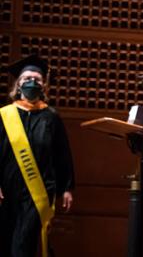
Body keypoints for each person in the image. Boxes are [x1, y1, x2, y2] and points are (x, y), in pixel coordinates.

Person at [0, 55, 74, 257]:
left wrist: (66, 187)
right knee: (7, 236)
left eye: (37, 79)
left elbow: (62, 154)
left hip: (40, 187)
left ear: (44, 86)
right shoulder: (4, 114)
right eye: (26, 79)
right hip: (8, 187)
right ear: (18, 84)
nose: (31, 82)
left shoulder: (51, 116)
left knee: (25, 239)